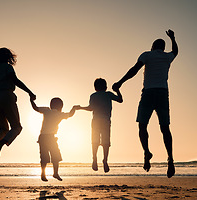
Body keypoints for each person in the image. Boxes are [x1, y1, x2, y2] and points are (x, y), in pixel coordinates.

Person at [112, 29, 178, 178]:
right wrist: (173, 38)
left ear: (153, 46)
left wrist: (120, 82)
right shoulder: (167, 57)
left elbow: (134, 70)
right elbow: (176, 51)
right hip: (162, 94)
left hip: (148, 93)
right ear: (163, 47)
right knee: (165, 128)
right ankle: (170, 159)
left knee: (142, 125)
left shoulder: (147, 55)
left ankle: (146, 152)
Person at [76, 78, 123, 173]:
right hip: (106, 120)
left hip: (96, 120)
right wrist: (117, 90)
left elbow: (90, 108)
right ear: (105, 87)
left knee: (95, 141)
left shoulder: (93, 95)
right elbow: (120, 100)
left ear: (95, 87)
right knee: (106, 142)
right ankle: (105, 160)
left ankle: (94, 159)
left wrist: (81, 107)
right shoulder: (108, 94)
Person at [30, 97, 78, 181]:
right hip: (51, 138)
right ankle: (55, 173)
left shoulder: (46, 110)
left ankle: (43, 174)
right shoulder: (60, 114)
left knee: (44, 156)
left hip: (43, 137)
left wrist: (31, 100)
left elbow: (35, 108)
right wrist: (74, 108)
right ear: (60, 107)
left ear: (51, 105)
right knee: (56, 156)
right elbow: (70, 114)